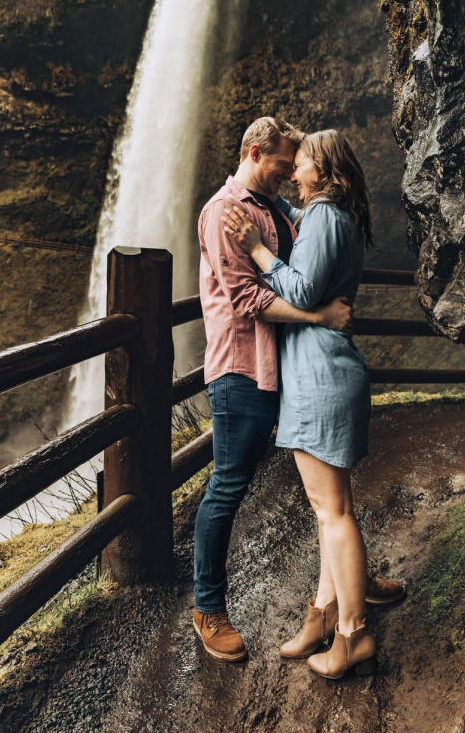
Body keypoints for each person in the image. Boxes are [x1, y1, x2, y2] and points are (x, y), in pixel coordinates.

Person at [223, 129, 404, 680]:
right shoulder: (327, 215)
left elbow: (300, 292)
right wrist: (262, 196)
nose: (293, 173)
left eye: (298, 165)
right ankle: (323, 616)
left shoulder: (325, 217)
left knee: (334, 513)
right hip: (323, 372)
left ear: (323, 172)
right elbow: (290, 213)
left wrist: (255, 248)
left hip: (321, 375)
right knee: (331, 511)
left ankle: (352, 635)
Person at [193, 116, 356, 663]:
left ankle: (344, 583)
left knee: (323, 495)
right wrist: (321, 317)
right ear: (258, 153)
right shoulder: (225, 213)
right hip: (241, 370)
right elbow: (248, 300)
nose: (291, 175)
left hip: (284, 370)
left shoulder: (275, 209)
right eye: (285, 165)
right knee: (228, 487)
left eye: (296, 167)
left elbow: (307, 246)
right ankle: (208, 608)